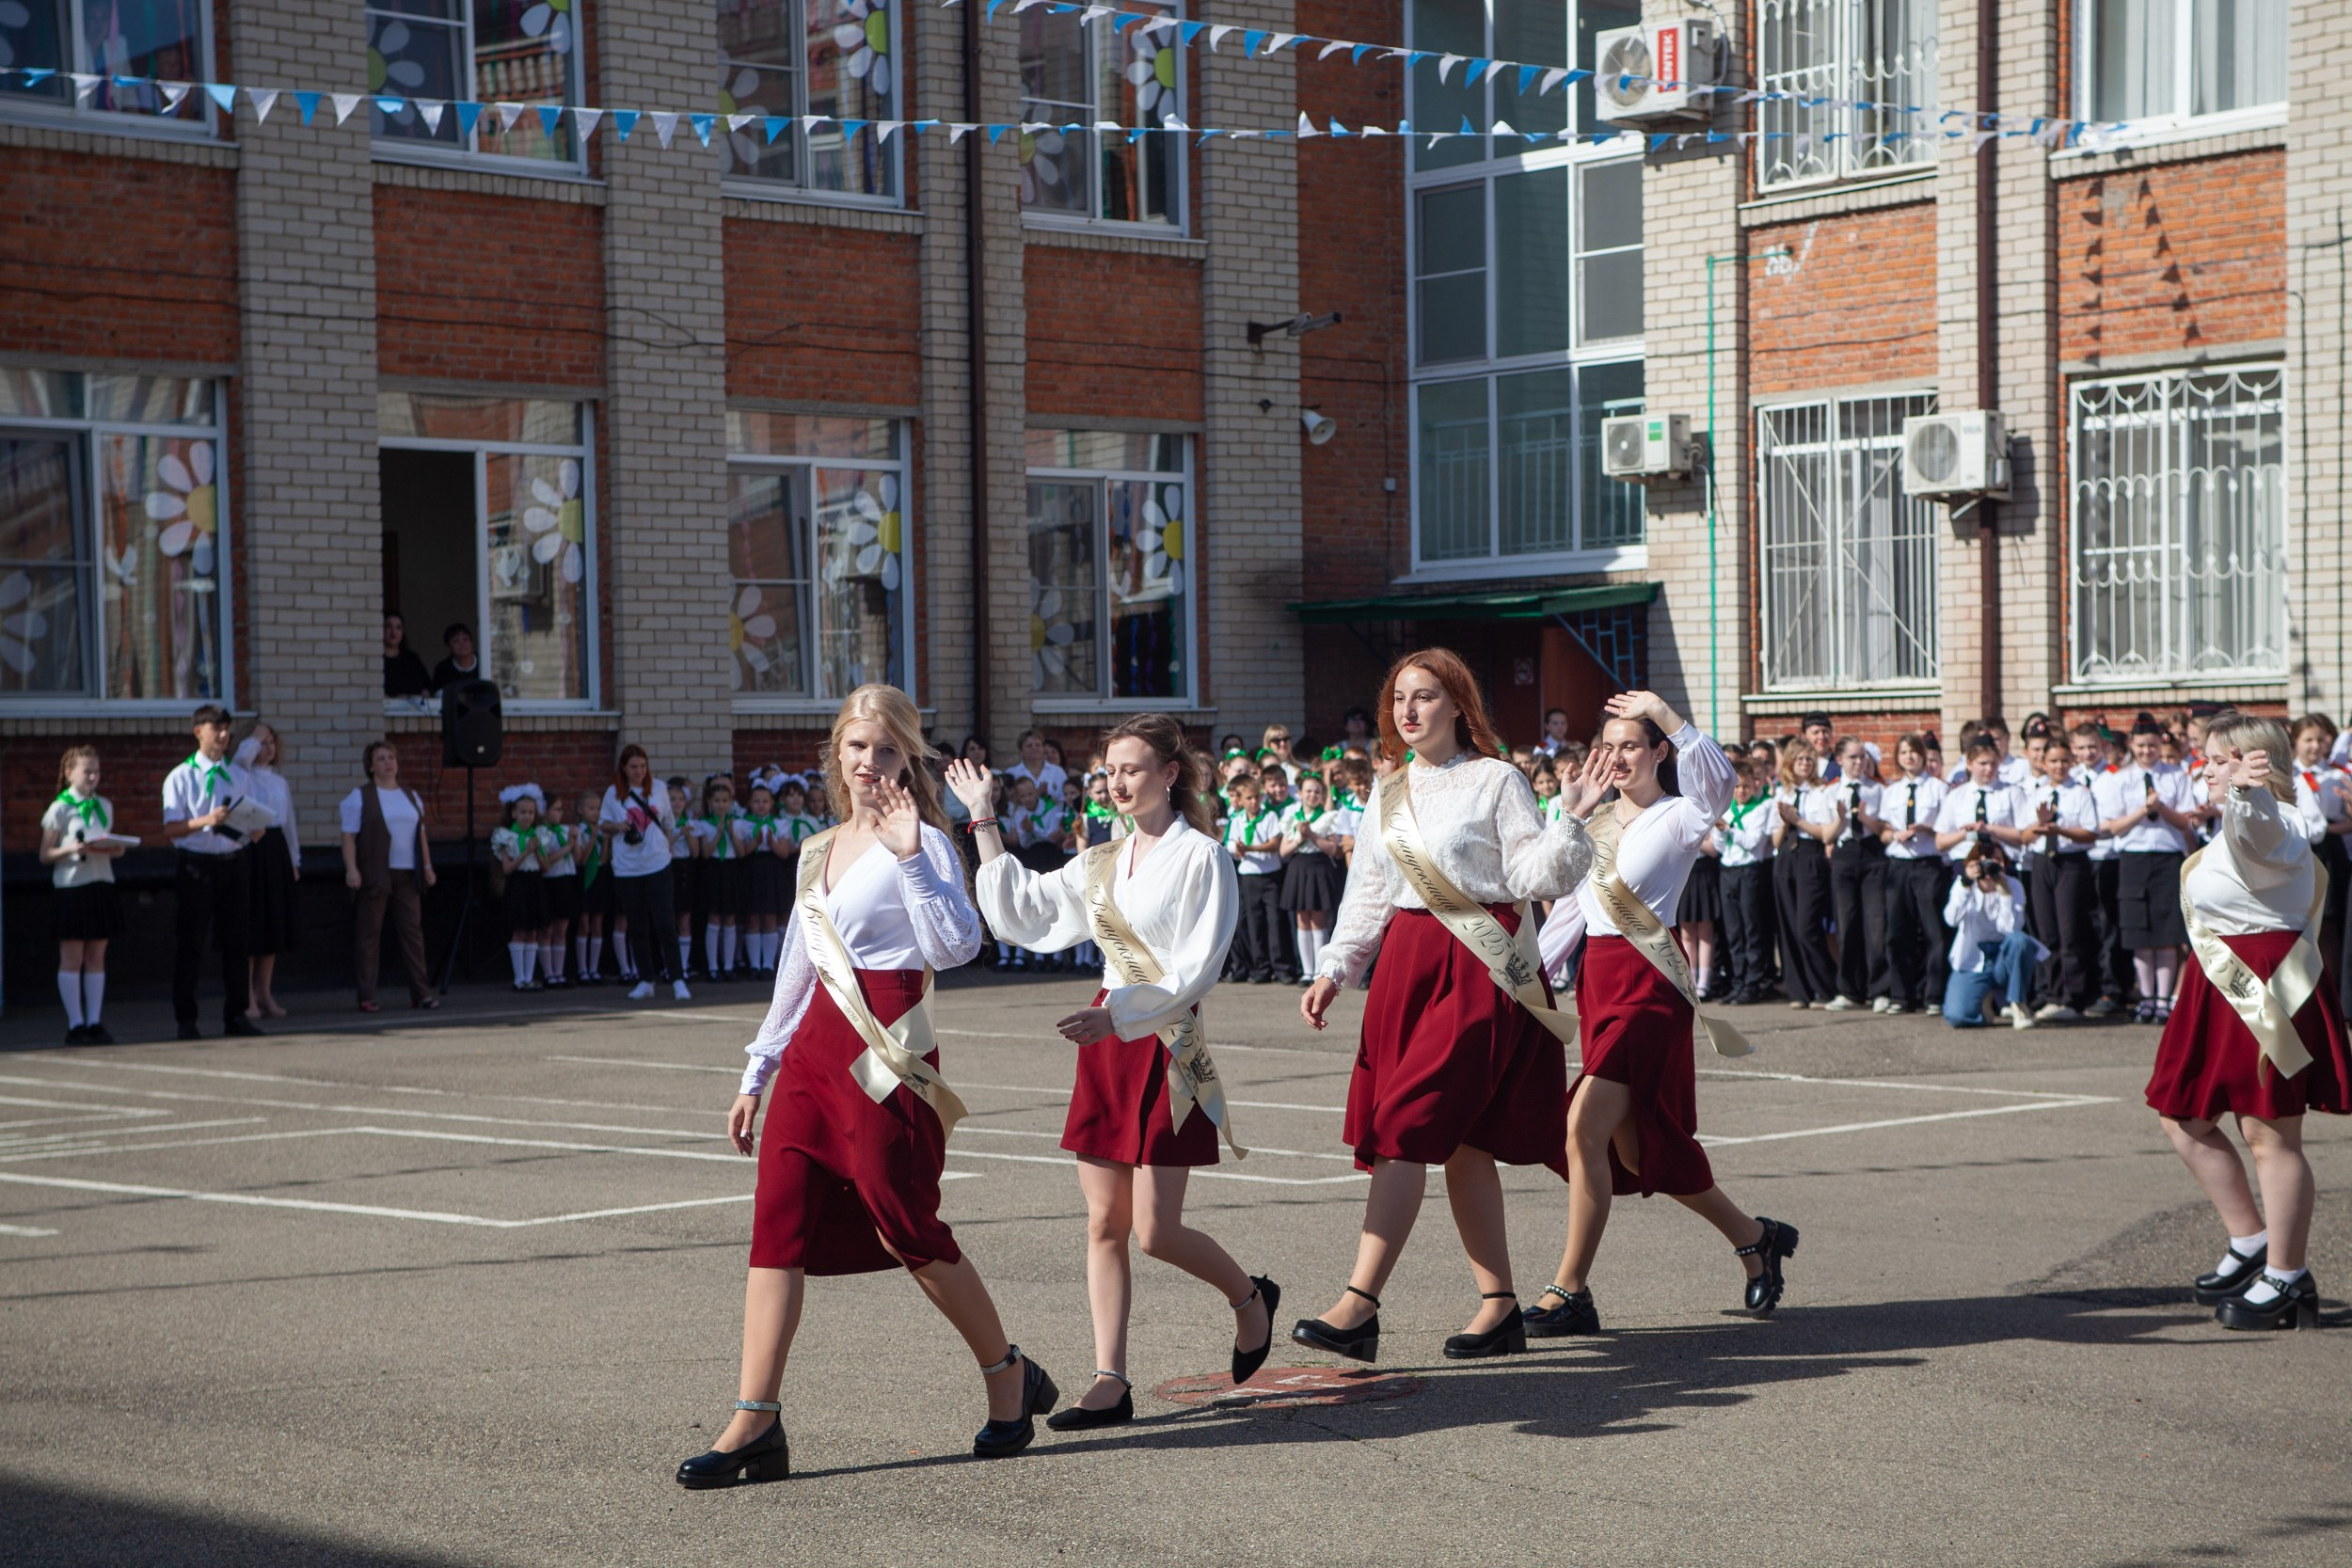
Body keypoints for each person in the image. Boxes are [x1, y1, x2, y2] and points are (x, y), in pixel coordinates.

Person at [675, 685, 1054, 1486]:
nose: (870, 762)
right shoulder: (818, 847)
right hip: (814, 1051)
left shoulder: (926, 841)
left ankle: (1008, 1373)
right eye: (857, 746)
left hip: (889, 1046)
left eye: (886, 749)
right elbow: (797, 966)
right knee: (776, 1223)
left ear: (908, 758)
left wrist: (912, 855)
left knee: (904, 1221)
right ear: (837, 752)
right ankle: (755, 1419)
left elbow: (957, 946)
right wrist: (757, 1069)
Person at [961, 713, 1275, 1427]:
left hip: (1162, 1038)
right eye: (1110, 770)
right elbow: (1025, 911)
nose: (1118, 782)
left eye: (1132, 768)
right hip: (1107, 1037)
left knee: (1157, 1231)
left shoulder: (1204, 857)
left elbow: (1199, 966)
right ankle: (1110, 1379)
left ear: (1170, 773)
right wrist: (982, 817)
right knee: (1104, 1220)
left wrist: (1123, 1013)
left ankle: (1249, 1298)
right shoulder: (1100, 860)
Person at [1294, 649, 1595, 1363]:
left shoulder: (1497, 779)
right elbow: (1369, 889)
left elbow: (1532, 874)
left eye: (1425, 696)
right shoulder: (1388, 790)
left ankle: (1359, 1304)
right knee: (1464, 1143)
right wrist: (1336, 967)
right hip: (1407, 967)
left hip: (1479, 969)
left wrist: (1570, 821)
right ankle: (1500, 1307)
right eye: (1400, 697)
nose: (1409, 709)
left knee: (1405, 1123)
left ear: (1458, 704)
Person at [1523, 692, 1797, 1336]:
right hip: (1599, 983)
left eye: (1632, 745)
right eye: (1609, 745)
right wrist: (1520, 982)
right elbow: (1565, 913)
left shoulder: (1681, 814)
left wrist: (1667, 712)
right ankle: (1754, 1236)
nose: (1618, 757)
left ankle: (1570, 1289)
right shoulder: (1592, 821)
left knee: (1582, 1124)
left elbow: (1719, 781)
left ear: (1658, 753)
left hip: (1650, 983)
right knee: (1641, 1146)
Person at [2145, 714, 2351, 1330]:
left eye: (2220, 760)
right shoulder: (2229, 829)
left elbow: (2257, 832)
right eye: (2207, 760)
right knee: (2183, 1116)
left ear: (2254, 765)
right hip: (2220, 983)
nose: (2206, 770)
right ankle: (2252, 1241)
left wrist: (2245, 791)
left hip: (2266, 984)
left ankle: (2287, 1277)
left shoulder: (2279, 821)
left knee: (2270, 1135)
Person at [164, 704, 262, 1040]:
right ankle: (186, 1019)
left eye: (226, 729)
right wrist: (207, 820)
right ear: (199, 732)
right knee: (190, 942)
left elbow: (249, 816)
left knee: (237, 942)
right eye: (216, 729)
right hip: (197, 865)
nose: (223, 735)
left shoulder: (238, 775)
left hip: (233, 862)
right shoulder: (181, 776)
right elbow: (171, 828)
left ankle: (236, 1014)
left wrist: (254, 828)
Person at [2095, 715, 2201, 1023]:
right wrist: (2143, 809)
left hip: (2167, 858)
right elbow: (2111, 826)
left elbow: (2185, 821)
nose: (2146, 751)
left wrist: (2161, 808)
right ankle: (2147, 998)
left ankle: (2164, 999)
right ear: (2131, 744)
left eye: (2152, 745)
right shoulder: (2120, 779)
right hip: (2133, 858)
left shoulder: (2176, 776)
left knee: (2166, 933)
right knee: (2139, 933)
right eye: (2141, 745)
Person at [340, 740, 438, 1013]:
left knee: (412, 933)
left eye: (391, 757)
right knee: (369, 934)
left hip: (408, 873)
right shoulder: (360, 796)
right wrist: (351, 868)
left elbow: (421, 834)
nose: (388, 763)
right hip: (375, 872)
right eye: (381, 759)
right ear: (371, 767)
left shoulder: (410, 796)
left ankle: (421, 993)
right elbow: (348, 836)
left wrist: (427, 866)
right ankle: (367, 995)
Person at [41, 746, 127, 1044]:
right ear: (69, 774)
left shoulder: (104, 805)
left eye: (96, 771)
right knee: (72, 957)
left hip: (100, 882)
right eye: (86, 771)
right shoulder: (60, 808)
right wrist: (71, 849)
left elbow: (107, 842)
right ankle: (75, 1024)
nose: (93, 777)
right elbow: (45, 854)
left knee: (96, 956)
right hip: (72, 887)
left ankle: (94, 1021)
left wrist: (115, 849)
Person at [601, 746, 690, 1002]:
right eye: (633, 767)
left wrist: (668, 845)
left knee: (665, 923)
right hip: (627, 868)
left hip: (658, 864)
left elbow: (668, 823)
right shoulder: (613, 793)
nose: (639, 771)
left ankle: (677, 979)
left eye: (642, 766)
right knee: (637, 925)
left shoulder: (659, 788)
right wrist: (619, 826)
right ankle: (645, 980)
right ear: (623, 768)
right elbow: (603, 824)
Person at [2021, 736, 2100, 1021]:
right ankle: (2052, 994)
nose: (2059, 766)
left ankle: (2072, 997)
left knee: (2070, 932)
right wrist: (2040, 826)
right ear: (2044, 763)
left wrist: (2060, 830)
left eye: (2064, 761)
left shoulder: (2080, 793)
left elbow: (2091, 833)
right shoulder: (2036, 792)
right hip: (2043, 862)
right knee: (2047, 932)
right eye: (2053, 761)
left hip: (2070, 863)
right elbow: (2024, 836)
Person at [1879, 733, 1949, 1015]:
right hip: (1899, 864)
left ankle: (1934, 995)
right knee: (1898, 931)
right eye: (1904, 752)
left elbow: (1948, 827)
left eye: (1914, 752)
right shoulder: (1892, 791)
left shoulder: (1938, 789)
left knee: (1934, 931)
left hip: (1928, 863)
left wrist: (1927, 829)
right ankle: (1901, 994)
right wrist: (1894, 834)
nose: (1909, 757)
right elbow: (1884, 831)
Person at [235, 723, 299, 1021]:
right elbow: (240, 761)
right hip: (252, 847)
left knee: (273, 923)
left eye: (271, 742)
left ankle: (265, 992)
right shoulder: (243, 775)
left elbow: (288, 823)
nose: (268, 748)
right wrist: (253, 740)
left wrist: (294, 860)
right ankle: (247, 996)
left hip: (275, 850)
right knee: (253, 924)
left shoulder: (279, 781)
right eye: (262, 743)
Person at [1940, 844, 2043, 1029]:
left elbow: (2011, 929)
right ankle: (1985, 1003)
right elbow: (1951, 920)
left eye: (1996, 862)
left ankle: (2018, 1003)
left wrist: (2005, 895)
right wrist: (1966, 885)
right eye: (1984, 863)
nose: (1990, 868)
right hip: (1974, 959)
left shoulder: (2014, 885)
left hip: (2004, 956)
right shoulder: (1963, 885)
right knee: (1957, 1017)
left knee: (2020, 941)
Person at [1770, 738, 1840, 1009]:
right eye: (1799, 758)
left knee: (1807, 926)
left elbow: (1824, 833)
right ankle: (1799, 991)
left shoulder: (1821, 792)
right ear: (1790, 762)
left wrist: (1798, 820)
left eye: (1809, 759)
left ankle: (1824, 987)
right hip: (1786, 856)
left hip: (1811, 856)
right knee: (1788, 927)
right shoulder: (1783, 793)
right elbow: (1776, 841)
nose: (1805, 763)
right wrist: (1784, 822)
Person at [1824, 736, 1890, 1012]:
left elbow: (1884, 829)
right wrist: (1841, 820)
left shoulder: (1877, 789)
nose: (1859, 762)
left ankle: (1880, 989)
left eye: (1863, 757)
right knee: (1846, 923)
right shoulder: (1831, 790)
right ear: (1840, 759)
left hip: (1872, 854)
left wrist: (1865, 819)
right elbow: (1826, 835)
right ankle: (1850, 990)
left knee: (1876, 925)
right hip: (1845, 854)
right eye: (1853, 757)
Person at [1714, 759, 1776, 1006]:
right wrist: (1721, 832)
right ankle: (1737, 982)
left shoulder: (1760, 809)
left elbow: (1752, 842)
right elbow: (1720, 847)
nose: (1741, 791)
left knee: (1751, 928)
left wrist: (1728, 829)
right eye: (1737, 787)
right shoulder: (1727, 809)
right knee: (1733, 930)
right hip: (1728, 871)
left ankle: (1753, 983)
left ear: (1754, 785)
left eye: (1746, 786)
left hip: (1749, 871)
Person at [1280, 770, 1347, 982]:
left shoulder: (1328, 817)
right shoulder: (1292, 817)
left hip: (1319, 866)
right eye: (1308, 791)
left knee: (1318, 919)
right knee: (1302, 919)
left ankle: (1320, 970)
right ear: (1300, 793)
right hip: (1299, 866)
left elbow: (1332, 849)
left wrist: (1311, 835)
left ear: (1322, 795)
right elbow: (1283, 851)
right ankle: (1306, 971)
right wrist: (1299, 839)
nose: (1312, 795)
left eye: (1317, 792)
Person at [1221, 773, 1284, 984]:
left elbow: (1273, 844)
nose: (1254, 802)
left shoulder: (1269, 816)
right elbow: (1231, 843)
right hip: (1249, 875)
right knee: (1253, 923)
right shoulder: (1237, 819)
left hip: (1270, 874)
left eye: (1257, 797)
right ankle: (1260, 967)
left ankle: (1280, 966)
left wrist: (1248, 848)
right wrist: (1238, 849)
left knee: (1274, 922)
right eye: (1249, 798)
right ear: (1240, 799)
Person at [492, 784, 548, 991]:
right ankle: (519, 979)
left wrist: (537, 850)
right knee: (519, 930)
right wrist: (525, 852)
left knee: (532, 931)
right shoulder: (506, 836)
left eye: (531, 813)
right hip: (518, 883)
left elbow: (545, 867)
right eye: (523, 812)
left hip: (534, 882)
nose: (527, 817)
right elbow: (507, 869)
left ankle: (529, 977)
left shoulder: (539, 835)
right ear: (514, 813)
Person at [537, 791, 580, 988]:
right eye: (556, 809)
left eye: (561, 809)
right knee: (547, 929)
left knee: (561, 930)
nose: (560, 813)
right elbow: (546, 861)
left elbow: (578, 858)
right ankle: (548, 973)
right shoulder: (540, 832)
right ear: (544, 811)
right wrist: (567, 847)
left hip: (566, 880)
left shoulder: (564, 830)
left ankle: (559, 972)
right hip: (549, 882)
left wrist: (574, 842)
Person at [574, 788, 616, 984]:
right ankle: (582, 969)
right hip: (584, 876)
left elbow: (604, 859)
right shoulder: (578, 831)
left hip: (600, 875)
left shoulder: (600, 831)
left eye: (598, 808)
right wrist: (592, 838)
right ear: (580, 810)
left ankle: (594, 969)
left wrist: (605, 842)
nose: (595, 812)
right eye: (591, 808)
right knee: (584, 924)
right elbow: (582, 859)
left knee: (598, 924)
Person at [382, 612, 430, 699]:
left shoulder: (412, 659)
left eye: (398, 627)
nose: (393, 632)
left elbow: (426, 686)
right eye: (389, 627)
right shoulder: (375, 659)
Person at [430, 623, 482, 692]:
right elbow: (438, 693)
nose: (462, 644)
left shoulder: (484, 662)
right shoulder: (442, 670)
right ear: (449, 647)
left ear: (471, 642)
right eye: (456, 641)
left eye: (465, 639)